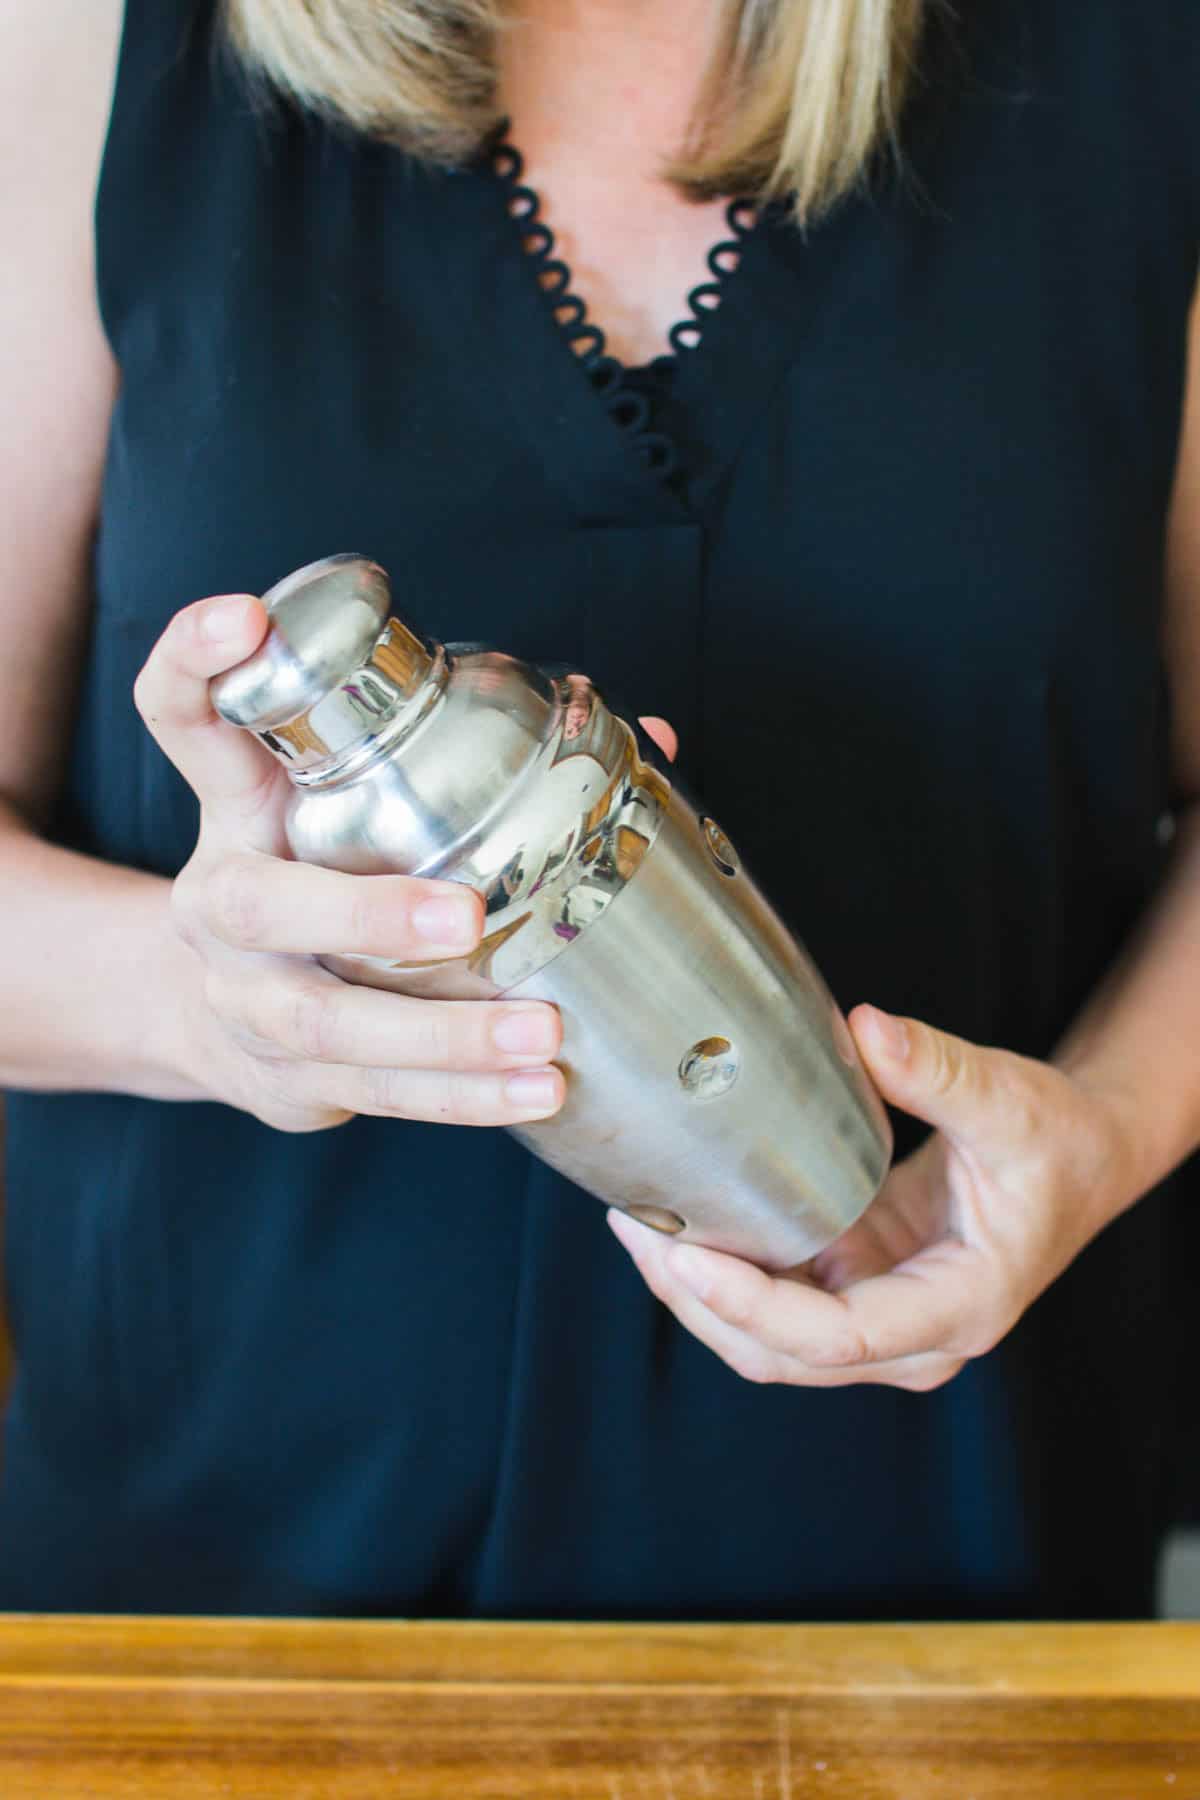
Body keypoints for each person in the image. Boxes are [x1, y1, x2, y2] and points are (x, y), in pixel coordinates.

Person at [0, 0, 1196, 1621]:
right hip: (228, 1590)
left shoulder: (1140, 63)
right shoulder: (89, 46)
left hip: (937, 1567)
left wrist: (1113, 1125)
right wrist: (202, 1002)